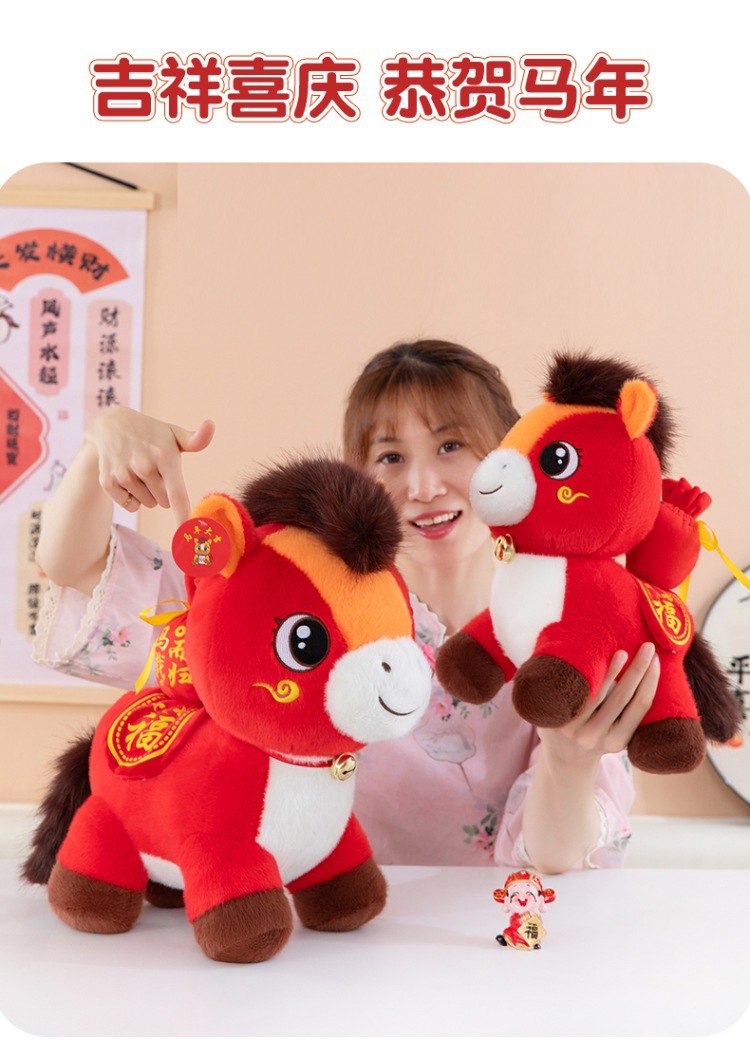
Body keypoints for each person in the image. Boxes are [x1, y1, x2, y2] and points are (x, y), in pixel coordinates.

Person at [33, 339, 660, 873]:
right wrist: (100, 446)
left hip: (492, 944)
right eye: (390, 457)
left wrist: (571, 761)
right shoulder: (307, 599)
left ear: (508, 457)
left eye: (451, 446)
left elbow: (553, 861)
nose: (422, 486)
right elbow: (76, 567)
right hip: (323, 929)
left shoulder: (572, 617)